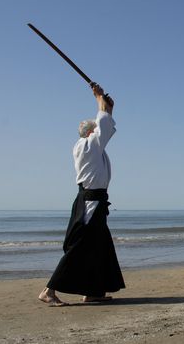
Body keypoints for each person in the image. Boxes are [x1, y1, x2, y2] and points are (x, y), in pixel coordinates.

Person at [38, 83, 125, 306]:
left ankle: (93, 291)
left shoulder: (94, 148)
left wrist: (108, 108)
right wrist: (98, 99)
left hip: (95, 201)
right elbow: (103, 128)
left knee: (101, 247)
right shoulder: (86, 146)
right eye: (95, 128)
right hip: (90, 203)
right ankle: (49, 291)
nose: (98, 131)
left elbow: (106, 128)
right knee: (80, 247)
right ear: (89, 132)